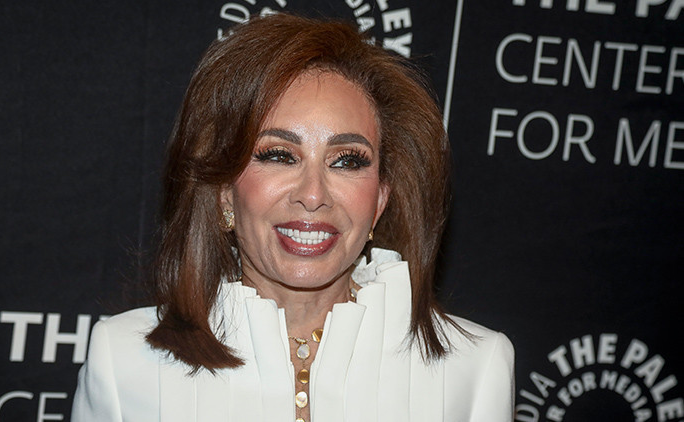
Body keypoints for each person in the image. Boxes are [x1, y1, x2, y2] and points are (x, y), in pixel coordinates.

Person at [72, 13, 514, 422]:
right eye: (279, 155)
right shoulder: (123, 362)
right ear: (224, 190)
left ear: (380, 199)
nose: (313, 195)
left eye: (347, 161)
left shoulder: (474, 369)